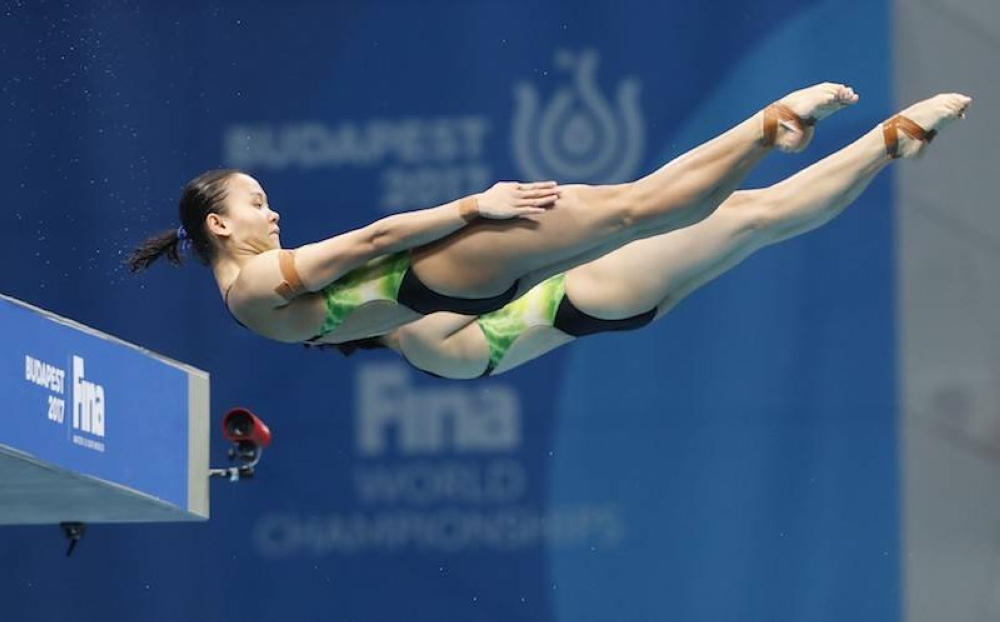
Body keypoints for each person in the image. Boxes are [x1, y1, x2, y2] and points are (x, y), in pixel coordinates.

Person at [128, 83, 859, 345]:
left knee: (655, 218)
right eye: (256, 203)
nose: (274, 212)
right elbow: (374, 238)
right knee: (642, 206)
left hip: (461, 294)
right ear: (218, 225)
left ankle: (770, 133)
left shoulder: (247, 309)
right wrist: (476, 204)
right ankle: (770, 123)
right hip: (441, 268)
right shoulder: (254, 287)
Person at [338, 93, 971, 379]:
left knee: (759, 219)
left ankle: (888, 143)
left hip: (606, 305)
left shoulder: (421, 347)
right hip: (588, 287)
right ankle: (790, 129)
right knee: (743, 212)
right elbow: (496, 283)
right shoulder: (416, 335)